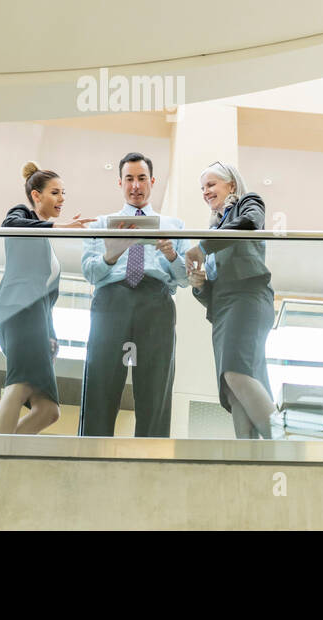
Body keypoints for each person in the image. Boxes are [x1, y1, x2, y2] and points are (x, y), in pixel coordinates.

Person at [79, 152, 186, 437]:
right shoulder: (101, 224)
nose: (135, 185)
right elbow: (90, 272)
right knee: (101, 381)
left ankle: (150, 461)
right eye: (129, 179)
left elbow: (186, 277)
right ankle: (91, 456)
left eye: (141, 178)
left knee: (156, 386)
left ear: (152, 182)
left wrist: (172, 254)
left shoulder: (173, 226)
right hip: (111, 302)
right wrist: (110, 258)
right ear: (120, 183)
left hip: (156, 302)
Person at [0, 161, 94, 434]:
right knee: (19, 384)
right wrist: (59, 226)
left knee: (49, 410)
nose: (62, 199)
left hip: (37, 321)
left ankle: (7, 451)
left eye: (63, 193)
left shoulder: (44, 241)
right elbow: (10, 225)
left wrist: (51, 335)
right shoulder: (22, 214)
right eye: (55, 192)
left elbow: (46, 301)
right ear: (36, 195)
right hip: (18, 312)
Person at [184, 161, 283, 439]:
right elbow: (214, 294)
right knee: (232, 387)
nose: (206, 191)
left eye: (211, 184)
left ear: (232, 185)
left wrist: (203, 247)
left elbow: (250, 224)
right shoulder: (214, 229)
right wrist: (200, 285)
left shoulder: (248, 204)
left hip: (248, 298)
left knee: (236, 374)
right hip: (224, 310)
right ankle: (248, 458)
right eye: (202, 187)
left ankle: (285, 444)